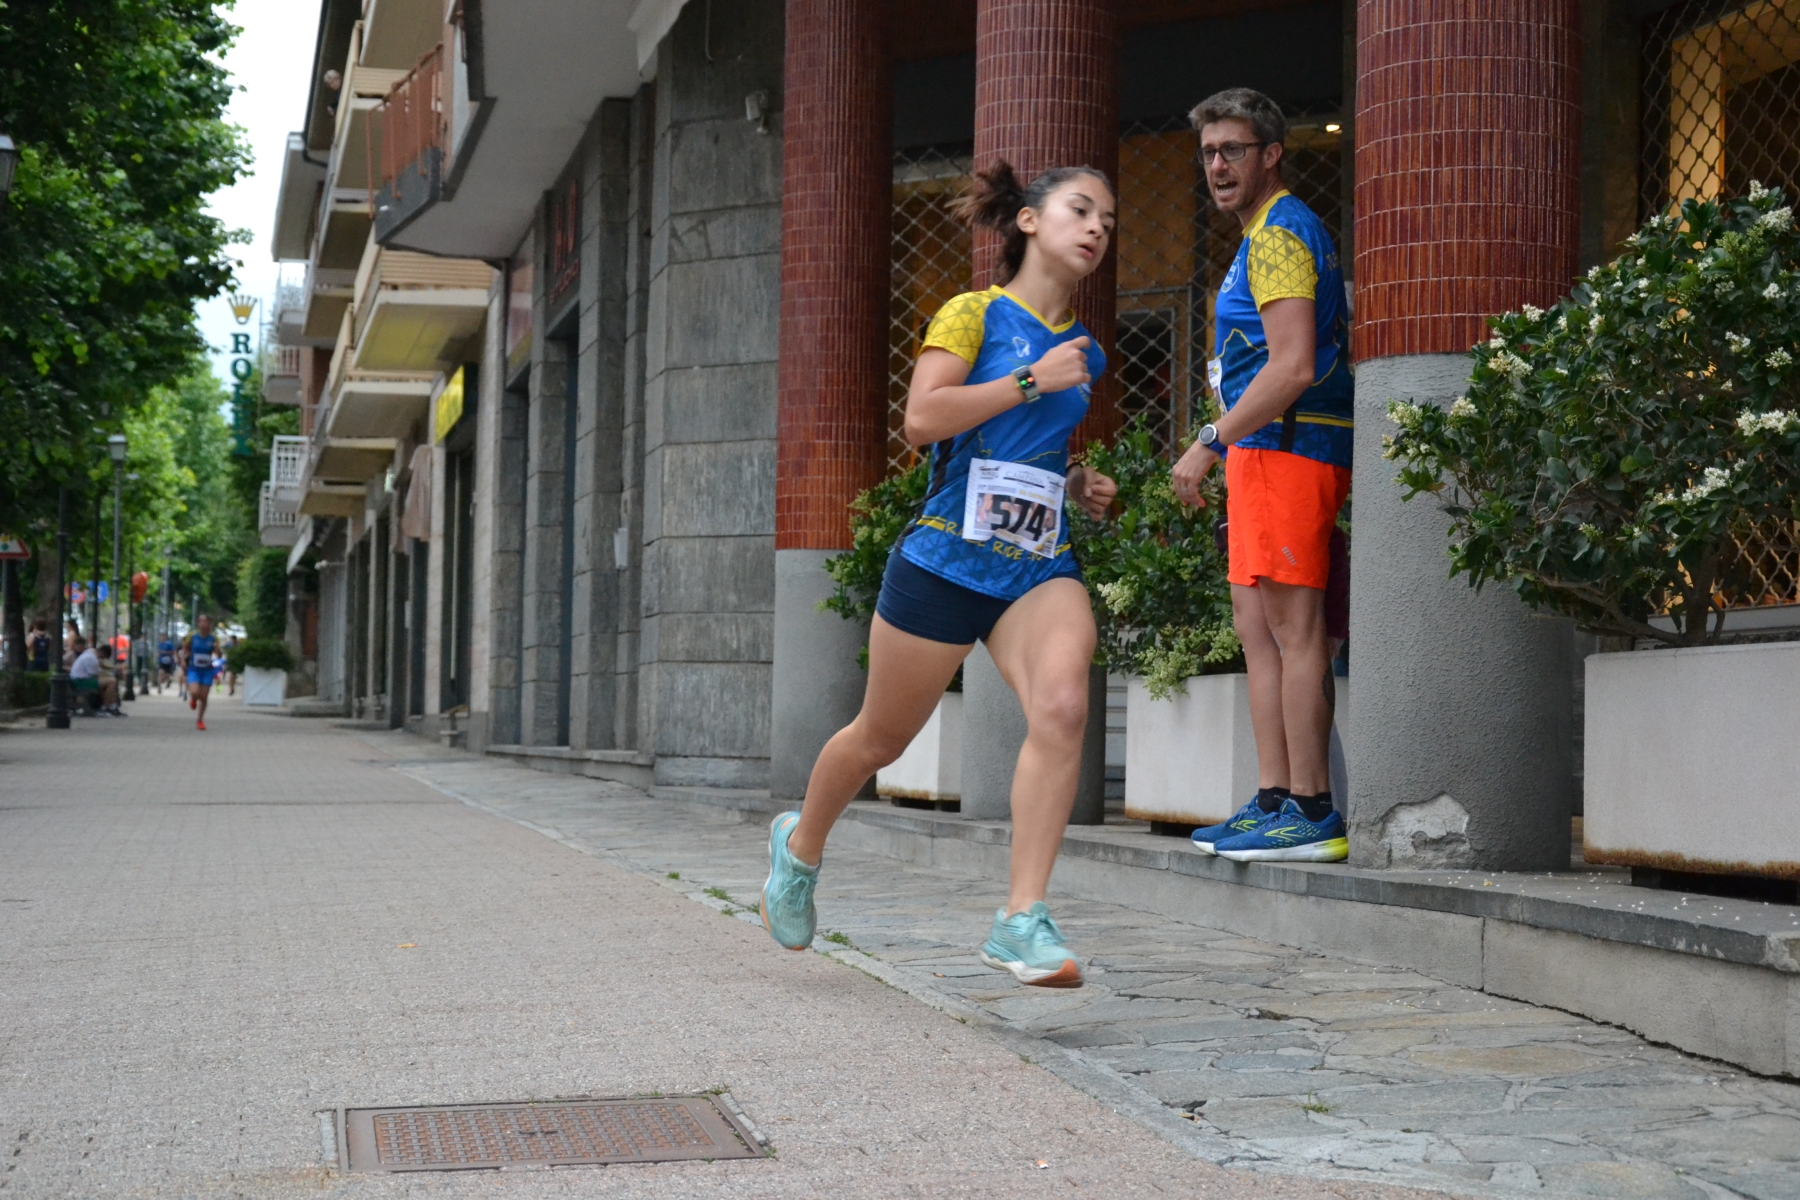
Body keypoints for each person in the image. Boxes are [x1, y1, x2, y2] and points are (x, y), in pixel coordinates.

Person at [762, 161, 1119, 988]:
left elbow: (1022, 451)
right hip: (944, 560)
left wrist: (1074, 483)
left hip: (1036, 566)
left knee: (1063, 704)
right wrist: (1030, 378)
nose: (1097, 227)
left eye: (1107, 219)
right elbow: (922, 420)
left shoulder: (1086, 352)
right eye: (1080, 209)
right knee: (880, 739)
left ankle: (1020, 919)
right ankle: (800, 847)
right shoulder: (974, 313)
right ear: (1028, 220)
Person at [1169, 88, 1351, 863]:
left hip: (1289, 448)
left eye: (1233, 150)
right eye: (1209, 152)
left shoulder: (1279, 233)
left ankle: (1311, 810)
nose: (1218, 165)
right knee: (1256, 628)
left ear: (1271, 154)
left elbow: (1294, 365)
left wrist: (1209, 440)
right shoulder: (1261, 236)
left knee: (1292, 631)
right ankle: (1274, 797)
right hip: (1261, 451)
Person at [180, 614, 222, 731]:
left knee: (204, 696)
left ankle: (200, 720)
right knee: (195, 692)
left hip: (207, 670)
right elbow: (185, 649)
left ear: (209, 624)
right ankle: (193, 698)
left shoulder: (213, 639)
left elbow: (219, 656)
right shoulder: (192, 637)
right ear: (198, 624)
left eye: (205, 621)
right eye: (201, 621)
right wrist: (183, 660)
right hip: (194, 669)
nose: (203, 623)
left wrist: (216, 648)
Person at [68, 638, 102, 714]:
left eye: (82, 646)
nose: (80, 648)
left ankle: (99, 706)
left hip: (79, 677)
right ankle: (105, 707)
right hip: (79, 679)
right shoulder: (71, 655)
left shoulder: (85, 655)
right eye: (78, 646)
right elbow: (93, 673)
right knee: (106, 683)